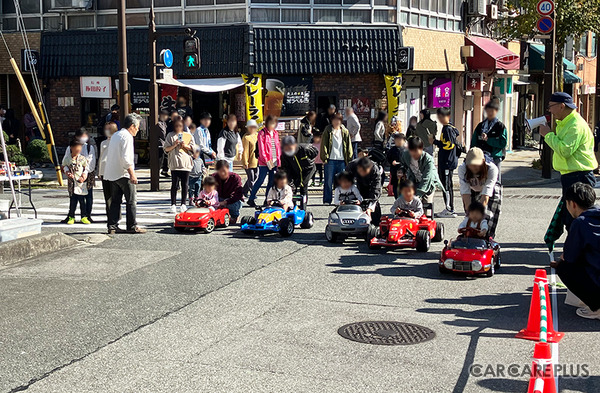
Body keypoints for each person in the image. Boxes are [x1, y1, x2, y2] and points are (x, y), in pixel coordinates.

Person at [539, 92, 598, 231]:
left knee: (578, 217)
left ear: (561, 106)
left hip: (579, 175)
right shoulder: (567, 122)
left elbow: (565, 150)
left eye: (551, 106)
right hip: (571, 174)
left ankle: (579, 247)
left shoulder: (575, 125)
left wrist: (548, 135)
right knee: (570, 216)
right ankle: (575, 245)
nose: (549, 110)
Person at [552, 183, 600, 319]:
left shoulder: (581, 222)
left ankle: (597, 307)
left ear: (572, 204)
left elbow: (570, 256)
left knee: (564, 267)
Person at [103, 113, 145, 234]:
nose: (138, 130)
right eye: (137, 127)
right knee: (131, 200)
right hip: (123, 173)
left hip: (112, 173)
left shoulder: (116, 135)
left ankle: (112, 226)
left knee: (115, 201)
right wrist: (132, 174)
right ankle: (132, 225)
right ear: (132, 126)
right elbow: (126, 159)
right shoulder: (127, 137)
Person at [458, 147, 501, 238]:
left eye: (477, 164)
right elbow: (465, 194)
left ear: (483, 161)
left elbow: (486, 196)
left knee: (487, 216)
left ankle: (488, 236)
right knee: (470, 215)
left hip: (490, 191)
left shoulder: (492, 168)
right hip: (472, 190)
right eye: (471, 164)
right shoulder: (462, 169)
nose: (474, 167)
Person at [62, 129, 96, 223]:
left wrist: (85, 174)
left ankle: (86, 215)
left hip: (87, 175)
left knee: (87, 196)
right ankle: (71, 215)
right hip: (73, 176)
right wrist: (67, 172)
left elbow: (90, 162)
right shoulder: (70, 148)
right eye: (81, 136)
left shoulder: (89, 147)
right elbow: (65, 163)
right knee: (73, 197)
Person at [398, 136, 444, 204]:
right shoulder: (405, 155)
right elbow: (403, 165)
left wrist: (418, 195)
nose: (414, 154)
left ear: (422, 149)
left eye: (416, 151)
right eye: (412, 151)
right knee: (411, 206)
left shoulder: (428, 159)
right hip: (414, 181)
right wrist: (401, 171)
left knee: (426, 204)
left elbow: (427, 178)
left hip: (429, 184)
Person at [321, 112, 353, 204]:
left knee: (342, 182)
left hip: (342, 160)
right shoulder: (328, 130)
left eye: (338, 120)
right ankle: (327, 200)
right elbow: (324, 144)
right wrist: (324, 157)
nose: (336, 122)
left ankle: (341, 200)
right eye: (334, 120)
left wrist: (349, 158)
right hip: (330, 159)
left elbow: (349, 145)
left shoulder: (345, 131)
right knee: (328, 181)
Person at [248, 115, 281, 206]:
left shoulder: (275, 133)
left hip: (274, 160)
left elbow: (278, 147)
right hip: (264, 161)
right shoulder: (262, 133)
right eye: (271, 123)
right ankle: (251, 198)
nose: (272, 125)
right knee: (261, 180)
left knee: (271, 181)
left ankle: (267, 200)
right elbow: (262, 149)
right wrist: (266, 160)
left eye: (274, 123)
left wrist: (279, 160)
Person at [432, 107, 459, 218]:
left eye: (441, 116)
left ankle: (450, 209)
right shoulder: (447, 128)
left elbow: (449, 145)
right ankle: (448, 207)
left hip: (447, 161)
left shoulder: (448, 129)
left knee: (447, 185)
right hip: (446, 161)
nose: (439, 119)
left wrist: (435, 142)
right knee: (445, 184)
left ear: (446, 117)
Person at [164, 118, 195, 213]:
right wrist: (174, 145)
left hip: (185, 163)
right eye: (176, 126)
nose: (178, 128)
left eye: (180, 126)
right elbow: (166, 149)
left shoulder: (188, 135)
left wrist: (185, 145)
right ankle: (173, 204)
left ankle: (183, 204)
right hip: (175, 163)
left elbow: (193, 148)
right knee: (174, 185)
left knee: (185, 184)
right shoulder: (170, 135)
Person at [471, 99, 507, 179]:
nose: (490, 113)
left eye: (492, 111)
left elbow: (503, 143)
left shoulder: (500, 126)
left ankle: (497, 190)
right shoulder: (480, 126)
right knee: (481, 179)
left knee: (495, 178)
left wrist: (488, 140)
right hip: (481, 157)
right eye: (488, 111)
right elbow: (474, 141)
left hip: (495, 157)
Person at [279, 135, 317, 204]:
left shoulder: (304, 148)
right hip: (295, 170)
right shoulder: (284, 155)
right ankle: (293, 206)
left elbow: (315, 152)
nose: (288, 149)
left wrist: (309, 161)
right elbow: (285, 169)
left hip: (308, 169)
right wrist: (290, 183)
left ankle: (303, 207)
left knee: (303, 185)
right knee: (292, 187)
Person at [346, 157, 383, 224]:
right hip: (358, 184)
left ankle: (375, 223)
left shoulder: (375, 169)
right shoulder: (352, 166)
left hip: (371, 185)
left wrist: (370, 207)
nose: (362, 173)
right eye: (360, 171)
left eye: (364, 171)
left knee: (374, 208)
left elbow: (376, 189)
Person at [98, 121, 118, 220]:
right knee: (107, 196)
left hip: (114, 171)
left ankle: (115, 216)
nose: (107, 131)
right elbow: (101, 157)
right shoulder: (103, 143)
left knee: (114, 196)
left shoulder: (117, 141)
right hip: (104, 171)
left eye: (109, 129)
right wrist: (99, 171)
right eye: (106, 129)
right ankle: (109, 216)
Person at [241, 119, 259, 198]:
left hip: (257, 160)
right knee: (251, 178)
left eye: (254, 127)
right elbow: (245, 151)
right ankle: (252, 193)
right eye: (250, 127)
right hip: (249, 161)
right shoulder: (246, 137)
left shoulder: (257, 135)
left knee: (255, 176)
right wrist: (245, 162)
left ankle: (244, 190)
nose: (252, 129)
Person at [387, 133, 407, 199]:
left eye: (399, 140)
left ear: (404, 140)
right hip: (395, 171)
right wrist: (392, 162)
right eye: (396, 140)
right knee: (395, 186)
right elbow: (388, 159)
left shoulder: (406, 150)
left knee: (404, 185)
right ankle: (397, 198)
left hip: (404, 172)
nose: (398, 142)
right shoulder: (392, 150)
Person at [157, 109, 170, 177]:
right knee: (160, 159)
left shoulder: (164, 123)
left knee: (166, 158)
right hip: (160, 143)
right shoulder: (158, 123)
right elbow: (163, 134)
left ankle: (164, 171)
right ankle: (157, 172)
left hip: (164, 143)